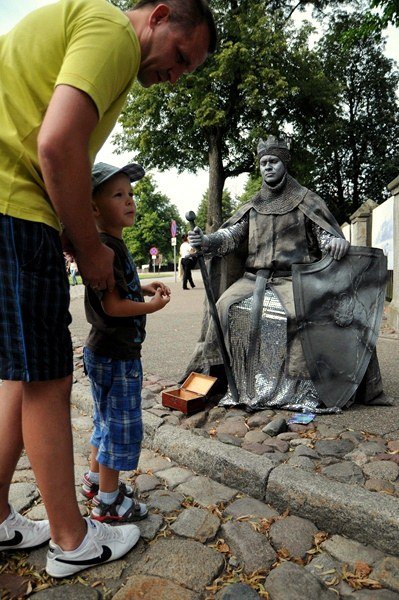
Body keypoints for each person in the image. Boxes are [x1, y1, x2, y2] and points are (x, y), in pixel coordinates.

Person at [0, 0, 216, 578]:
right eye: (179, 58)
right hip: (16, 207)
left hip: (12, 209)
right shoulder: (113, 32)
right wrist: (87, 243)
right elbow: (57, 143)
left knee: (20, 376)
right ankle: (72, 538)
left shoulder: (83, 26)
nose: (173, 77)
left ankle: (0, 514)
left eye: (185, 73)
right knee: (47, 377)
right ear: (160, 15)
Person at [186, 135, 386, 413]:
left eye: (273, 161)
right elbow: (231, 236)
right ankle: (225, 382)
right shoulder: (253, 204)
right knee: (222, 308)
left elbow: (324, 237)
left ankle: (305, 391)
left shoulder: (306, 200)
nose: (268, 167)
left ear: (284, 163)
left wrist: (335, 243)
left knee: (304, 315)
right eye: (263, 163)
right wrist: (206, 241)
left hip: (297, 280)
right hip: (252, 280)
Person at [81, 161, 170, 523]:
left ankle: (93, 480)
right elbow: (113, 304)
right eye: (118, 195)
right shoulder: (106, 247)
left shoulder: (113, 243)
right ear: (94, 207)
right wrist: (150, 306)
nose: (130, 201)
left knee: (104, 421)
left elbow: (120, 289)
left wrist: (144, 287)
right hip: (116, 356)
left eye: (131, 193)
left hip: (105, 352)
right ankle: (107, 501)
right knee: (120, 427)